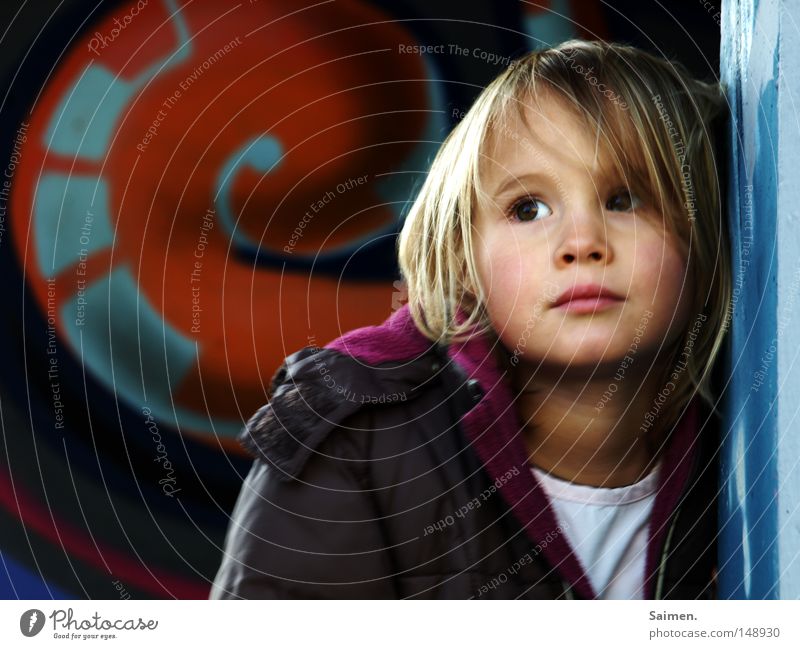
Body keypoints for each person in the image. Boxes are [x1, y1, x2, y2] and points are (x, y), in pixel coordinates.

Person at [209, 39, 730, 599]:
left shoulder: (740, 444)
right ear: (463, 263)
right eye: (527, 209)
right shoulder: (354, 434)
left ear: (704, 238)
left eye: (626, 200)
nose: (582, 243)